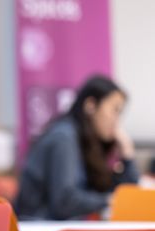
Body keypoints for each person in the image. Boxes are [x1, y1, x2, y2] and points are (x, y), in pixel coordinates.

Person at [15, 74, 140, 220]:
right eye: (114, 110)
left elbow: (125, 193)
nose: (117, 120)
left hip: (57, 230)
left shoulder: (85, 142)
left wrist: (127, 157)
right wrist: (108, 200)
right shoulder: (64, 137)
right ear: (90, 106)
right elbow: (64, 202)